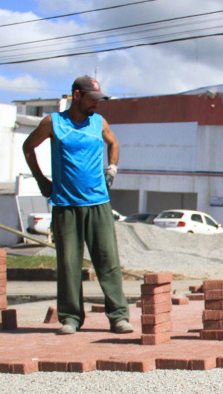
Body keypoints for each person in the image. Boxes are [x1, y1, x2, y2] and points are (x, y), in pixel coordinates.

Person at [22, 75, 132, 335]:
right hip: (66, 204)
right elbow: (28, 147)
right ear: (76, 95)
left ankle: (118, 316)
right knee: (69, 263)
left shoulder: (98, 122)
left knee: (107, 261)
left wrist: (112, 169)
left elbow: (114, 143)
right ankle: (70, 318)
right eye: (92, 99)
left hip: (98, 202)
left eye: (98, 99)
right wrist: (40, 179)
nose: (96, 103)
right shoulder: (53, 122)